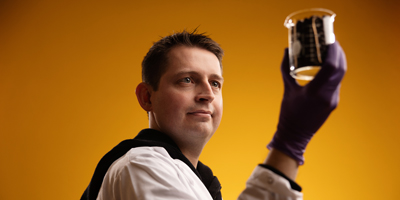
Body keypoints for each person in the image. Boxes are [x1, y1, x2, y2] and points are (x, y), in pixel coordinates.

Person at [81, 30, 346, 200]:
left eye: (215, 83)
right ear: (147, 97)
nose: (208, 93)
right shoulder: (140, 165)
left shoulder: (195, 180)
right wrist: (290, 141)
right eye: (187, 79)